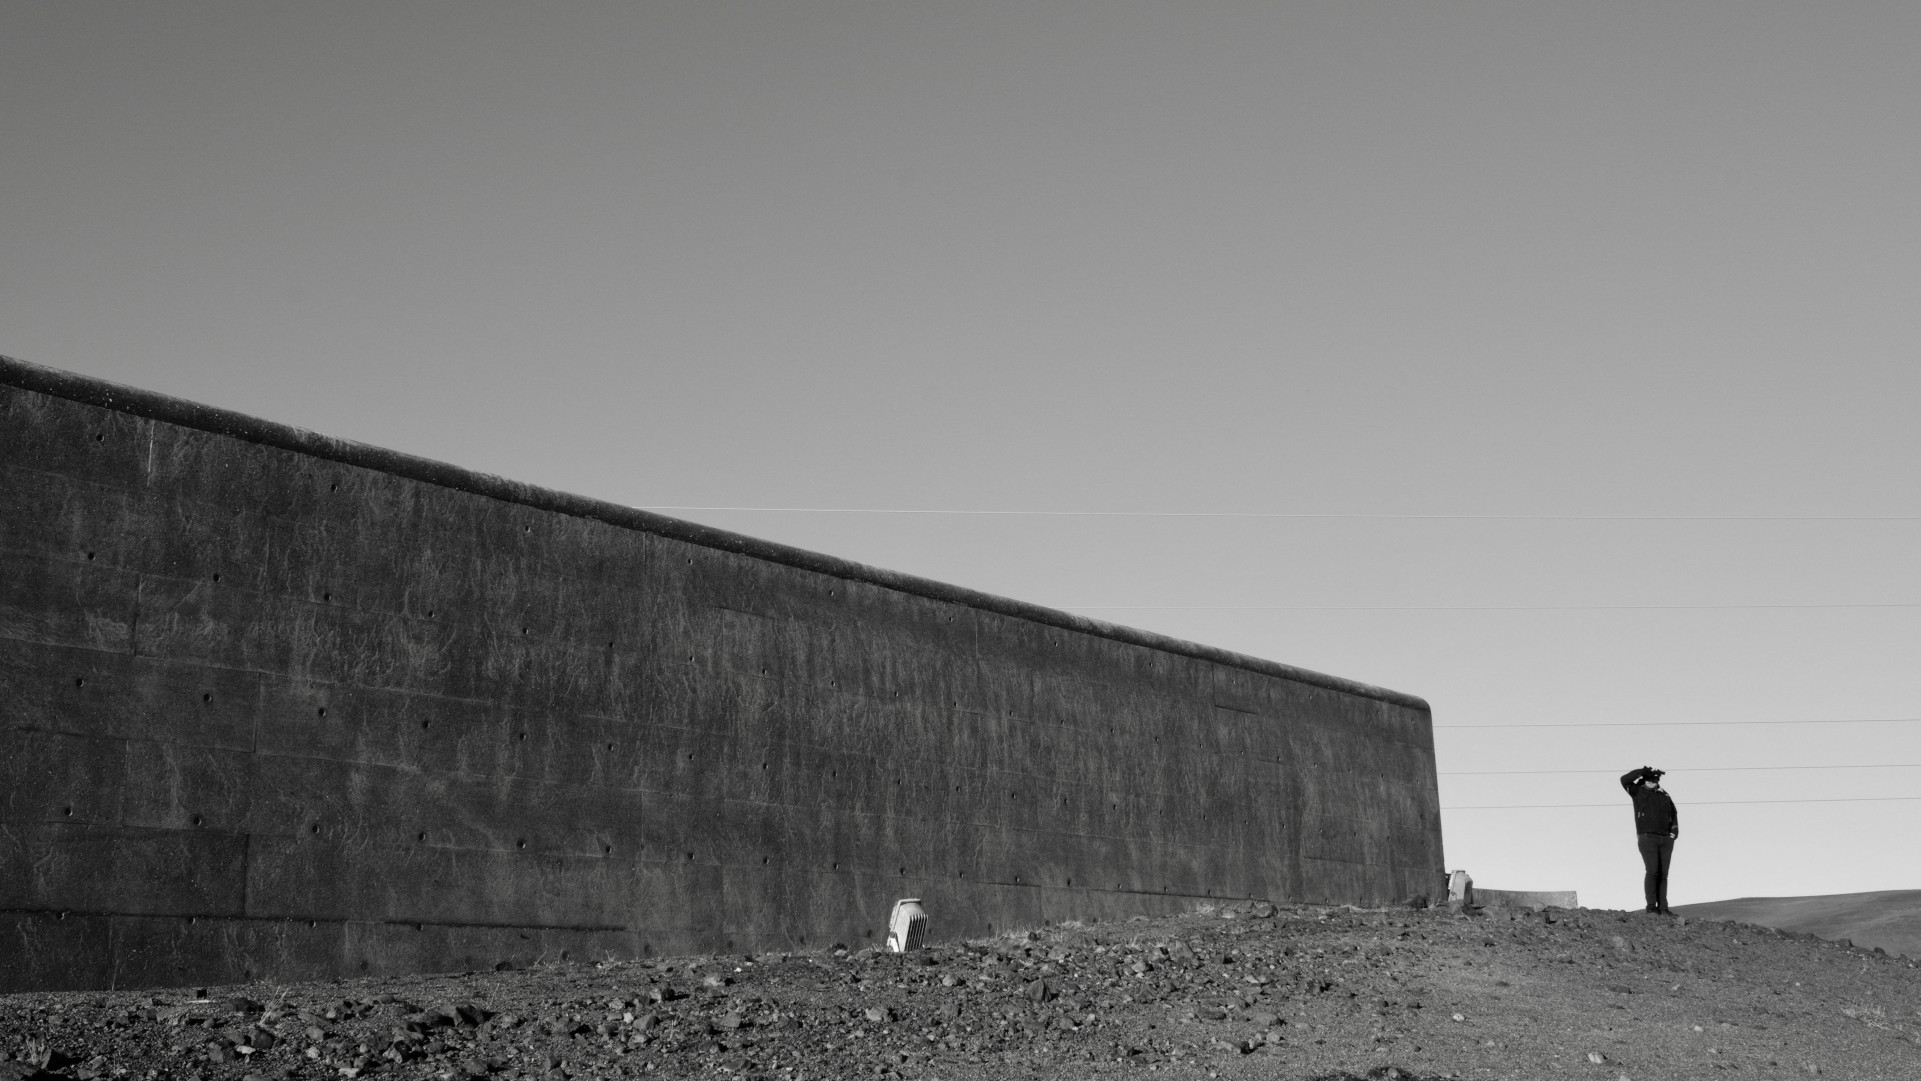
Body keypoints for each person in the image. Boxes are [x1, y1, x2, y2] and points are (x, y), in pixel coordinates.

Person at [1620, 766, 1678, 914]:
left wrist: (1674, 832)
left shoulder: (1664, 795)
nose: (1652, 782)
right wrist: (1641, 771)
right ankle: (1651, 908)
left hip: (1665, 839)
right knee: (1652, 871)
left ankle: (1663, 908)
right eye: (1649, 779)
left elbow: (1673, 812)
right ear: (1644, 780)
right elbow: (1624, 780)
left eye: (1655, 779)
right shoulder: (1637, 791)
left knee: (1663, 874)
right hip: (1647, 837)